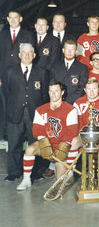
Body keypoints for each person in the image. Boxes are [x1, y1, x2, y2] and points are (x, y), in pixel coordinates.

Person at [16, 82, 79, 190]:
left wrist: (63, 147)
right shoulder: (40, 109)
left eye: (56, 91)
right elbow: (37, 129)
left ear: (62, 92)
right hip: (48, 145)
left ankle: (69, 172)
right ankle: (26, 180)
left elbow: (72, 131)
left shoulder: (70, 109)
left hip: (62, 147)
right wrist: (44, 142)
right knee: (29, 149)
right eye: (51, 91)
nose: (53, 94)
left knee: (60, 181)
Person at [3, 43, 49, 181]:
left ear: (34, 56)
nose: (27, 55)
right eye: (24, 52)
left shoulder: (42, 72)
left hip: (34, 114)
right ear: (19, 55)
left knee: (34, 143)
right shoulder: (9, 71)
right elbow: (6, 92)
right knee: (14, 143)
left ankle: (35, 172)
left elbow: (45, 95)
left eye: (30, 53)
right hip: (15, 112)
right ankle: (14, 172)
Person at [73, 79, 99, 189]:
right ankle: (69, 174)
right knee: (73, 142)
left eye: (94, 89)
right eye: (89, 89)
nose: (91, 92)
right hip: (83, 135)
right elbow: (75, 123)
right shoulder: (78, 102)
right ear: (85, 90)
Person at [0, 10, 35, 82]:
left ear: (20, 19)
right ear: (8, 19)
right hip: (4, 74)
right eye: (11, 18)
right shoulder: (2, 35)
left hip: (21, 74)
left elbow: (31, 57)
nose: (13, 20)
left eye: (15, 17)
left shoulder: (28, 35)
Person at [50, 39, 88, 105]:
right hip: (57, 103)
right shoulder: (55, 66)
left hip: (74, 103)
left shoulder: (82, 68)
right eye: (67, 49)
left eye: (72, 50)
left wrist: (68, 102)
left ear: (76, 51)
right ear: (63, 50)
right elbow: (51, 85)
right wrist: (58, 100)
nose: (69, 52)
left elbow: (81, 88)